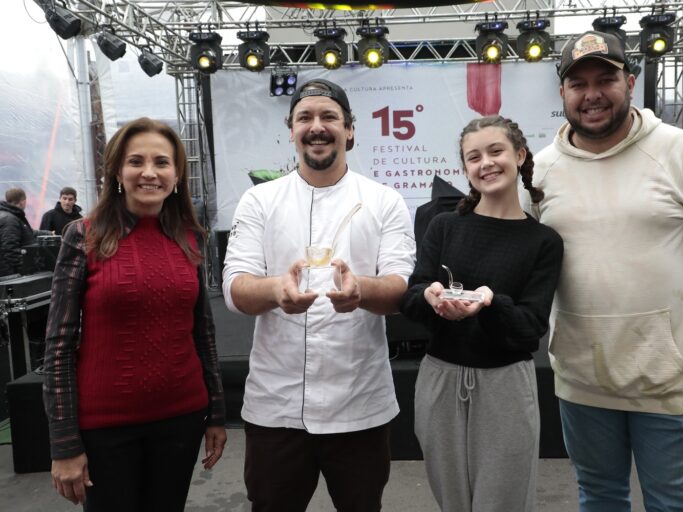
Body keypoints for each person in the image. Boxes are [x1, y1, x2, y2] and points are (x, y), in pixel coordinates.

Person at [524, 30, 683, 511]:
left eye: (605, 79)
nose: (592, 95)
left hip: (669, 380)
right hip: (582, 378)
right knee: (599, 498)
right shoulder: (541, 171)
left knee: (673, 503)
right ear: (563, 94)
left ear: (630, 82)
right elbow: (527, 258)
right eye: (578, 83)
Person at [222, 78, 416, 512]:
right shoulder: (259, 201)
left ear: (350, 129)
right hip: (276, 408)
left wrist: (362, 290)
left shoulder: (384, 201)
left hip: (360, 405)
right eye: (305, 117)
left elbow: (400, 287)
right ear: (290, 129)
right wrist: (275, 290)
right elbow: (235, 288)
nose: (317, 126)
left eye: (329, 116)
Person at [43, 117, 227, 511]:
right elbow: (58, 344)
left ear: (177, 174)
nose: (149, 172)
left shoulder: (190, 237)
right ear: (116, 171)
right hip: (105, 428)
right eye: (136, 161)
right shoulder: (83, 235)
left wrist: (216, 414)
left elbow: (203, 334)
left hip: (182, 418)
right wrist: (63, 442)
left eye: (161, 162)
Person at [400, 115, 563, 512]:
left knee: (502, 502)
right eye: (473, 157)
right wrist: (432, 299)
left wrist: (491, 305)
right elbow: (411, 296)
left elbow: (530, 329)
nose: (485, 163)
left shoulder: (543, 241)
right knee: (452, 501)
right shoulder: (444, 227)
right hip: (440, 380)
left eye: (495, 151)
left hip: (506, 386)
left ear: (520, 155)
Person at [0, 188, 38, 277]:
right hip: (11, 275)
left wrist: (48, 233)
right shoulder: (10, 220)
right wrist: (24, 269)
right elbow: (10, 249)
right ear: (22, 202)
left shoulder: (9, 216)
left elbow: (28, 233)